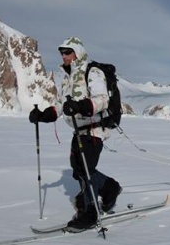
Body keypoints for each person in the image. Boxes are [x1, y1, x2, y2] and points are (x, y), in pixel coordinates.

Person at [28, 37, 122, 231]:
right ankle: (109, 188)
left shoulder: (92, 72)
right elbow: (63, 106)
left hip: (94, 128)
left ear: (77, 52)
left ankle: (90, 213)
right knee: (78, 168)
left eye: (67, 52)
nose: (64, 56)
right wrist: (44, 115)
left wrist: (81, 106)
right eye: (61, 53)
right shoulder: (68, 77)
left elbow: (102, 100)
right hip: (78, 131)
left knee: (86, 169)